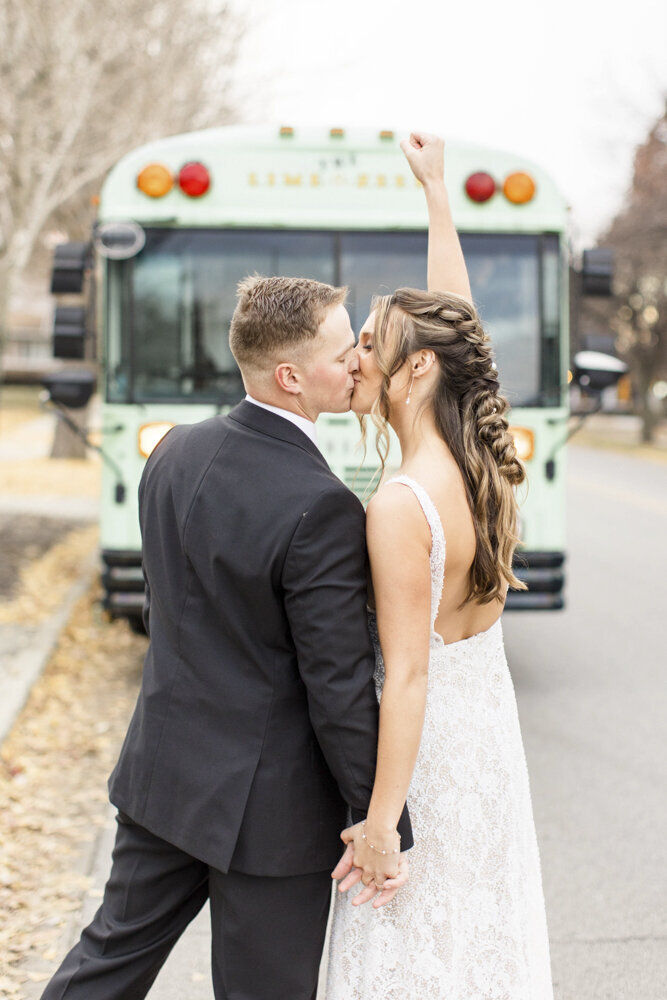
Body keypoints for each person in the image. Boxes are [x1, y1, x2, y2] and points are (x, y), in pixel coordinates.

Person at [40, 276, 412, 1000]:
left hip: (162, 779)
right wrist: (378, 817)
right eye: (344, 354)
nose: (359, 365)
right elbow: (334, 686)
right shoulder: (322, 507)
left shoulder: (172, 452)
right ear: (290, 377)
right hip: (269, 820)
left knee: (102, 969)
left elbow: (172, 612)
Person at [324, 133, 554, 998]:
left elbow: (408, 676)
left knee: (407, 943)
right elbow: (458, 327)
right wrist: (436, 196)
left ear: (412, 371)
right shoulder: (475, 462)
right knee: (476, 941)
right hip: (484, 743)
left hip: (425, 755)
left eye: (369, 343)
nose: (355, 356)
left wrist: (381, 824)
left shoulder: (399, 504)